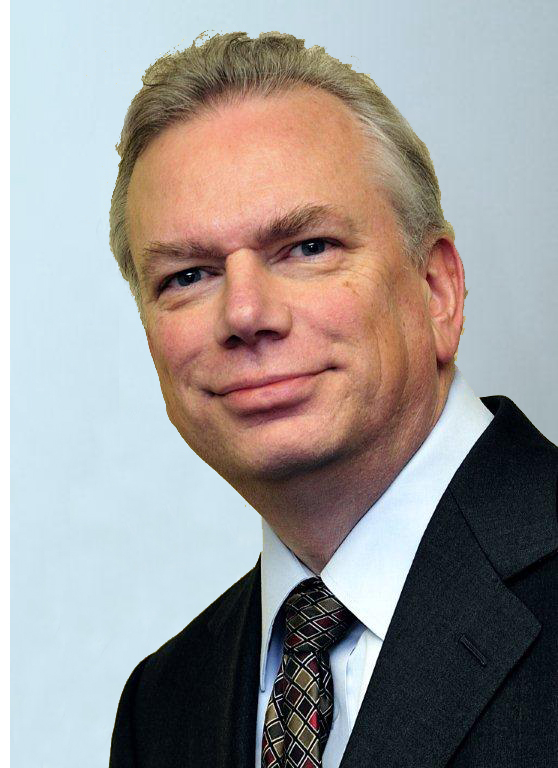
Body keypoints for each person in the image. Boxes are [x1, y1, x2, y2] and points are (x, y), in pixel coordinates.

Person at [108, 31, 557, 768]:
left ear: (437, 290)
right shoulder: (162, 705)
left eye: (308, 247)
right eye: (188, 276)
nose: (244, 313)